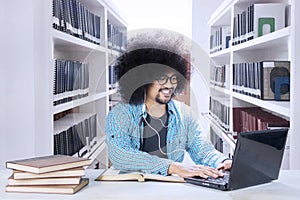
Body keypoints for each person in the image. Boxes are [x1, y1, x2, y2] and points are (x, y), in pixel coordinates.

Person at [105, 31, 232, 178]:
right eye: (161, 78)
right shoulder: (120, 114)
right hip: (131, 189)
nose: (169, 85)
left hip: (171, 190)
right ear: (143, 80)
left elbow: (202, 149)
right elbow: (121, 156)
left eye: (173, 78)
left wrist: (222, 161)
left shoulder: (185, 115)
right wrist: (173, 167)